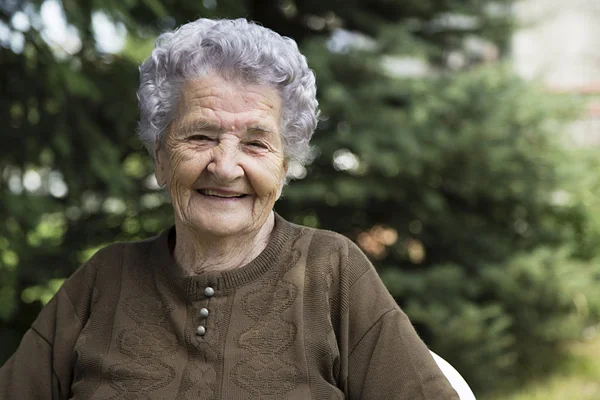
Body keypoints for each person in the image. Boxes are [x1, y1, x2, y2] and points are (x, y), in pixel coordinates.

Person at [0, 18, 459, 399]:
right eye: (200, 136)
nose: (225, 166)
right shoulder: (104, 279)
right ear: (160, 158)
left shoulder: (333, 271)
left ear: (283, 166)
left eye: (256, 143)